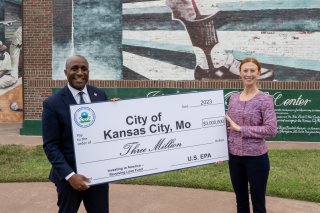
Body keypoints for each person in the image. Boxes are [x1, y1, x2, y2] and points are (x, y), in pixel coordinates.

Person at [42, 55, 109, 213]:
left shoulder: (100, 95)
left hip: (98, 174)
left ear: (88, 72)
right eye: (74, 68)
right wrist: (70, 175)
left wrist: (116, 111)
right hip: (69, 177)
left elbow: (106, 131)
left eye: (84, 69)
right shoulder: (52, 103)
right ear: (66, 72)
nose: (80, 73)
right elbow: (50, 146)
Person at [225, 57, 277, 213]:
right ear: (240, 73)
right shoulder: (233, 99)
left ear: (258, 73)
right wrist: (218, 151)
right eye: (245, 70)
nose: (248, 74)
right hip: (235, 159)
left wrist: (241, 129)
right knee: (240, 201)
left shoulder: (265, 99)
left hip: (256, 159)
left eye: (252, 70)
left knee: (258, 202)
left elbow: (271, 129)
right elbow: (227, 128)